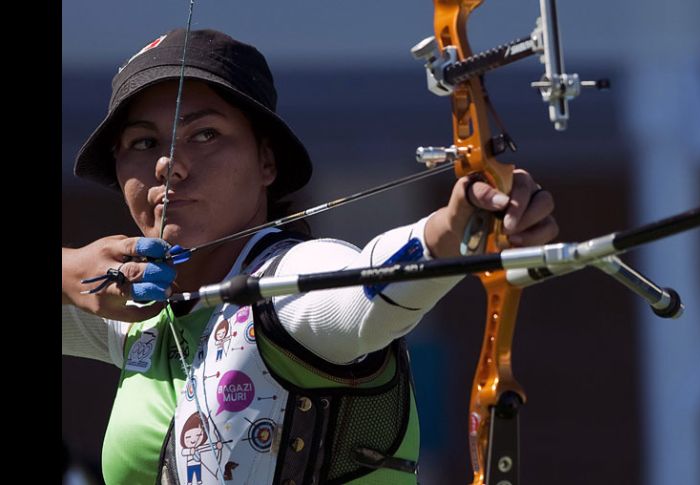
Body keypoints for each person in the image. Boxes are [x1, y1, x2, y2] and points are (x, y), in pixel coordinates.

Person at [61, 28, 558, 485]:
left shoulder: (285, 285)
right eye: (143, 142)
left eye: (205, 134)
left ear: (266, 161)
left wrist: (453, 230)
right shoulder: (133, 312)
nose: (168, 164)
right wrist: (68, 273)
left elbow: (363, 291)